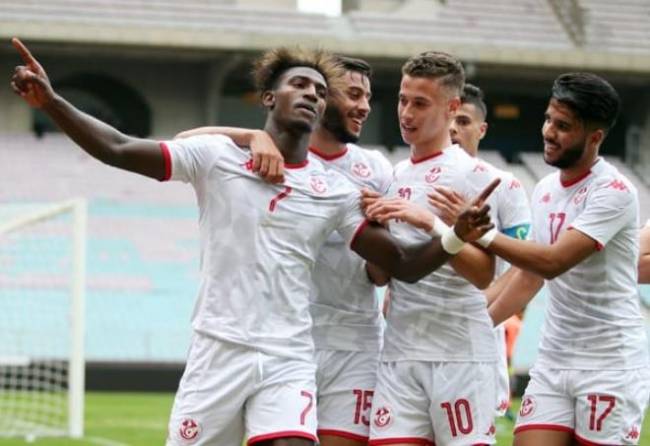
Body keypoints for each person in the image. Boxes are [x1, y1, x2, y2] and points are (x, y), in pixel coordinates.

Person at [10, 38, 497, 446]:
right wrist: (52, 102)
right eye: (299, 84)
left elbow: (403, 265)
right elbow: (118, 147)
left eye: (320, 90)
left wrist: (455, 235)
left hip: (289, 358)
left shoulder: (337, 191)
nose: (311, 94)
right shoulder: (217, 158)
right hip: (218, 351)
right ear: (269, 98)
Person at [178, 55, 394, 446]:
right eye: (353, 94)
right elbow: (184, 145)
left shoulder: (376, 170)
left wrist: (394, 225)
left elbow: (384, 270)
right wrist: (248, 135)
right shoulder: (274, 156)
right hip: (287, 337)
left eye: (367, 96)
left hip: (353, 342)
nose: (364, 105)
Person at [483, 73, 650, 446]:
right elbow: (529, 277)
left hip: (610, 366)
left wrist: (482, 236)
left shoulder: (614, 192)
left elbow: (552, 262)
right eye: (547, 120)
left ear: (595, 137)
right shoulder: (544, 189)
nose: (548, 132)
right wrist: (477, 324)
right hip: (554, 360)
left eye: (563, 126)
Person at [362, 51, 502, 446]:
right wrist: (372, 232)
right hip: (400, 353)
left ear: (452, 107)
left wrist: (432, 223)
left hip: (460, 356)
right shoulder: (392, 177)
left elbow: (483, 274)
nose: (407, 113)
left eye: (420, 103)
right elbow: (380, 277)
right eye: (403, 100)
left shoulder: (475, 176)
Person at [441, 83, 532, 419]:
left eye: (463, 121)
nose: (453, 128)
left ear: (482, 129)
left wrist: (482, 308)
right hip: (414, 334)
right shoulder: (409, 177)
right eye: (448, 118)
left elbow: (521, 261)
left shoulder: (505, 185)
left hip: (475, 335)